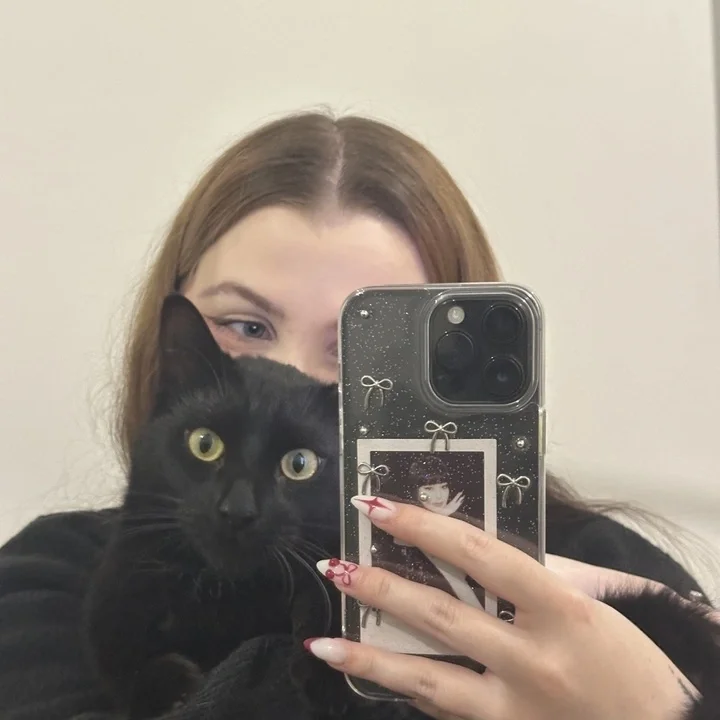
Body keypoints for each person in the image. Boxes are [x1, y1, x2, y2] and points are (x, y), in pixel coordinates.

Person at [0, 111, 717, 720]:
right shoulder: (47, 580)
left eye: (363, 348)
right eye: (247, 326)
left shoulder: (599, 574)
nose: (294, 378)